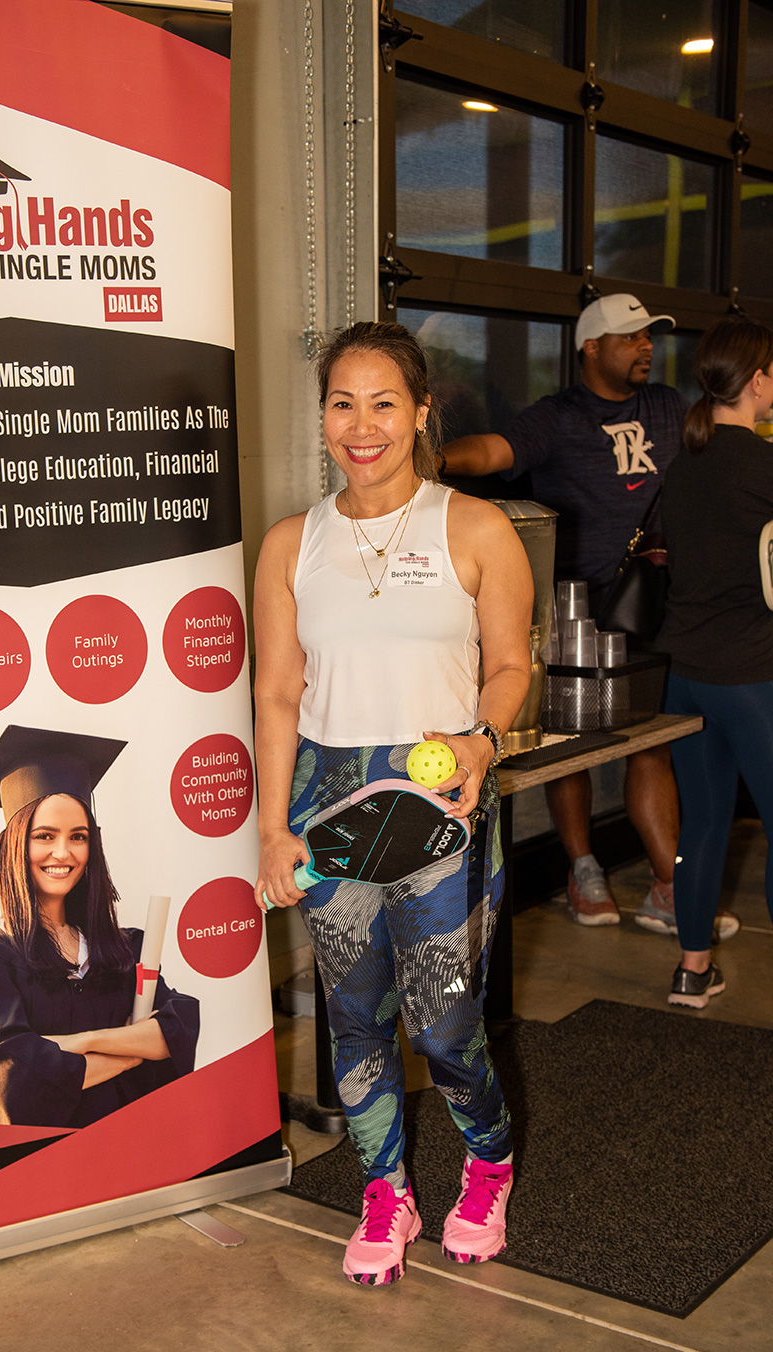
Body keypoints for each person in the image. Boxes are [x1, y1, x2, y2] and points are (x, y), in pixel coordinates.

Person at [253, 321, 532, 1286]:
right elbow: (278, 694)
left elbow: (511, 665)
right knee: (356, 1017)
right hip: (327, 801)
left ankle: (488, 1159)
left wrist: (482, 739)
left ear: (420, 413)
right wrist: (272, 827)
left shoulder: (476, 528)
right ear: (323, 414)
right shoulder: (291, 544)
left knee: (445, 1022)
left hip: (438, 798)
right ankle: (386, 1187)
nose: (361, 426)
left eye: (383, 404)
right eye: (343, 404)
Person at [441, 293, 737, 942]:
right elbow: (493, 451)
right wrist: (429, 463)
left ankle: (668, 885)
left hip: (651, 603)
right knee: (570, 746)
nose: (645, 347)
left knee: (651, 740)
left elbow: (718, 449)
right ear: (592, 348)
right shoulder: (559, 417)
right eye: (630, 337)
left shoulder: (667, 406)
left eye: (648, 336)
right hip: (576, 610)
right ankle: (583, 870)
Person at [0, 725, 199, 1126]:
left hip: (126, 1147)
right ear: (14, 846)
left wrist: (83, 1042)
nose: (63, 852)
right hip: (36, 1158)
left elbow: (177, 1029)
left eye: (78, 836)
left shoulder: (123, 950)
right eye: (44, 836)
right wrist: (131, 1050)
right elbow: (21, 1079)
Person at [655, 316, 773, 1008]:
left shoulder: (684, 464)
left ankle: (692, 970)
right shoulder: (763, 465)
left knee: (701, 824)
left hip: (685, 676)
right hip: (753, 677)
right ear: (757, 381)